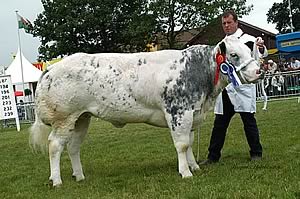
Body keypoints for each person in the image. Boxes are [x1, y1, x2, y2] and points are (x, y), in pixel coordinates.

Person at [200, 10, 268, 165]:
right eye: (224, 23)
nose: (226, 26)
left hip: (243, 88)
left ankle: (256, 153)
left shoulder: (249, 40)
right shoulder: (222, 44)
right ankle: (212, 157)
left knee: (249, 121)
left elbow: (259, 58)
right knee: (219, 124)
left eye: (229, 22)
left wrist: (262, 48)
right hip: (226, 90)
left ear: (237, 22)